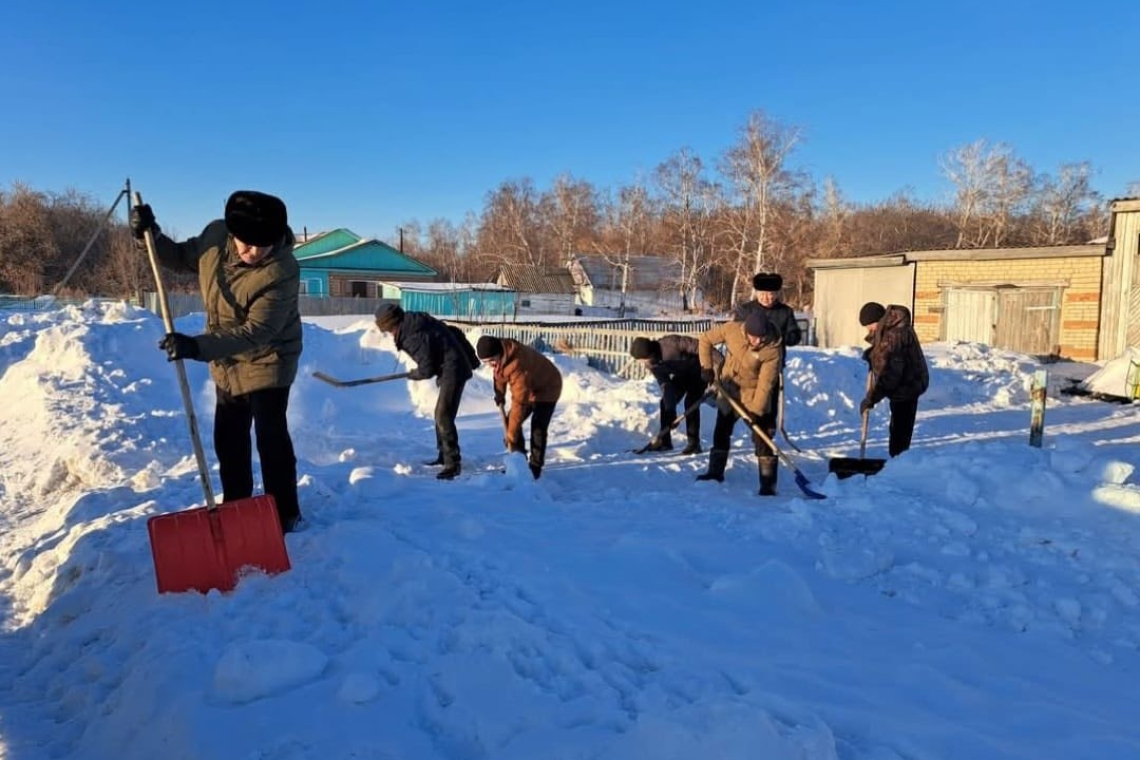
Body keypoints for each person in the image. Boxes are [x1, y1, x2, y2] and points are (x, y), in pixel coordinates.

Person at [129, 190, 304, 533]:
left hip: (269, 359)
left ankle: (284, 513)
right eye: (243, 241)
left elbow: (257, 331)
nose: (249, 251)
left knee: (270, 439)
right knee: (229, 437)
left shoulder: (282, 270)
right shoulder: (214, 236)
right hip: (226, 363)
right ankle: (237, 505)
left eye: (260, 245)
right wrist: (149, 236)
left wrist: (196, 346)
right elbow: (179, 256)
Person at [374, 303, 476, 480]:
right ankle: (444, 455)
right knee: (441, 414)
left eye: (388, 330)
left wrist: (414, 374)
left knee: (443, 415)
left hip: (454, 369)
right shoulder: (413, 323)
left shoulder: (411, 335)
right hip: (450, 366)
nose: (389, 334)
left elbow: (427, 368)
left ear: (392, 324)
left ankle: (453, 463)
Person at [696, 311, 783, 495]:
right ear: (745, 331)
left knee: (762, 435)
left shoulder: (773, 349)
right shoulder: (731, 330)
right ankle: (715, 472)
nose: (757, 342)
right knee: (722, 430)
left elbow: (766, 384)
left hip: (754, 392)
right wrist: (706, 367)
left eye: (761, 337)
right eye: (754, 337)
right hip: (729, 388)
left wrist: (756, 410)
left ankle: (768, 483)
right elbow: (705, 340)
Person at [476, 336, 562, 480]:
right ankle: (519, 463)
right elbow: (499, 375)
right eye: (486, 362)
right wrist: (499, 394)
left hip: (548, 386)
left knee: (538, 428)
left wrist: (511, 435)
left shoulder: (517, 363)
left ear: (498, 353)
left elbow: (519, 404)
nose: (490, 364)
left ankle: (535, 468)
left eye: (491, 360)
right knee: (512, 422)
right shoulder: (501, 356)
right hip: (530, 385)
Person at [859, 302, 930, 457]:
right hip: (907, 384)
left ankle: (898, 467)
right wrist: (873, 354)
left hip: (907, 387)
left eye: (869, 326)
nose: (869, 330)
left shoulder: (894, 336)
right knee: (898, 429)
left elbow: (890, 375)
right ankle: (898, 461)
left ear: (877, 321)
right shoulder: (893, 328)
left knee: (900, 434)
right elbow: (884, 350)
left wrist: (871, 398)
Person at [629, 335, 721, 454]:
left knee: (691, 403)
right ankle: (665, 442)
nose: (642, 363)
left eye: (642, 359)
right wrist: (670, 410)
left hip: (699, 372)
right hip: (682, 376)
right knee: (665, 404)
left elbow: (701, 346)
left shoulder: (671, 343)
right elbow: (665, 384)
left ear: (649, 354)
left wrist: (721, 362)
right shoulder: (652, 364)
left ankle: (694, 444)